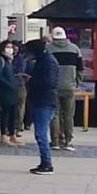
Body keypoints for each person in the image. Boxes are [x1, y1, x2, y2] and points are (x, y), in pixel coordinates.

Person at [23, 39, 59, 175]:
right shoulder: (45, 60)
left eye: (29, 53)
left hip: (44, 100)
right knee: (40, 133)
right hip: (43, 100)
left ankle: (47, 163)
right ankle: (45, 162)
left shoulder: (47, 61)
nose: (28, 56)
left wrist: (31, 80)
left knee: (41, 134)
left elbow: (49, 82)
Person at [48, 27, 84, 152]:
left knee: (55, 115)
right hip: (70, 88)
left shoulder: (48, 50)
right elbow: (80, 69)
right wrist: (76, 83)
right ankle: (68, 141)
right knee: (69, 115)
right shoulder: (75, 49)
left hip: (53, 88)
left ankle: (55, 141)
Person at [0, 41, 22, 146]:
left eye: (11, 47)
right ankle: (3, 135)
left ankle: (12, 134)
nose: (10, 49)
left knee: (13, 113)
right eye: (7, 47)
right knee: (5, 113)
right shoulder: (0, 59)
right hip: (5, 90)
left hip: (13, 90)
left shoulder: (10, 60)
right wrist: (9, 84)